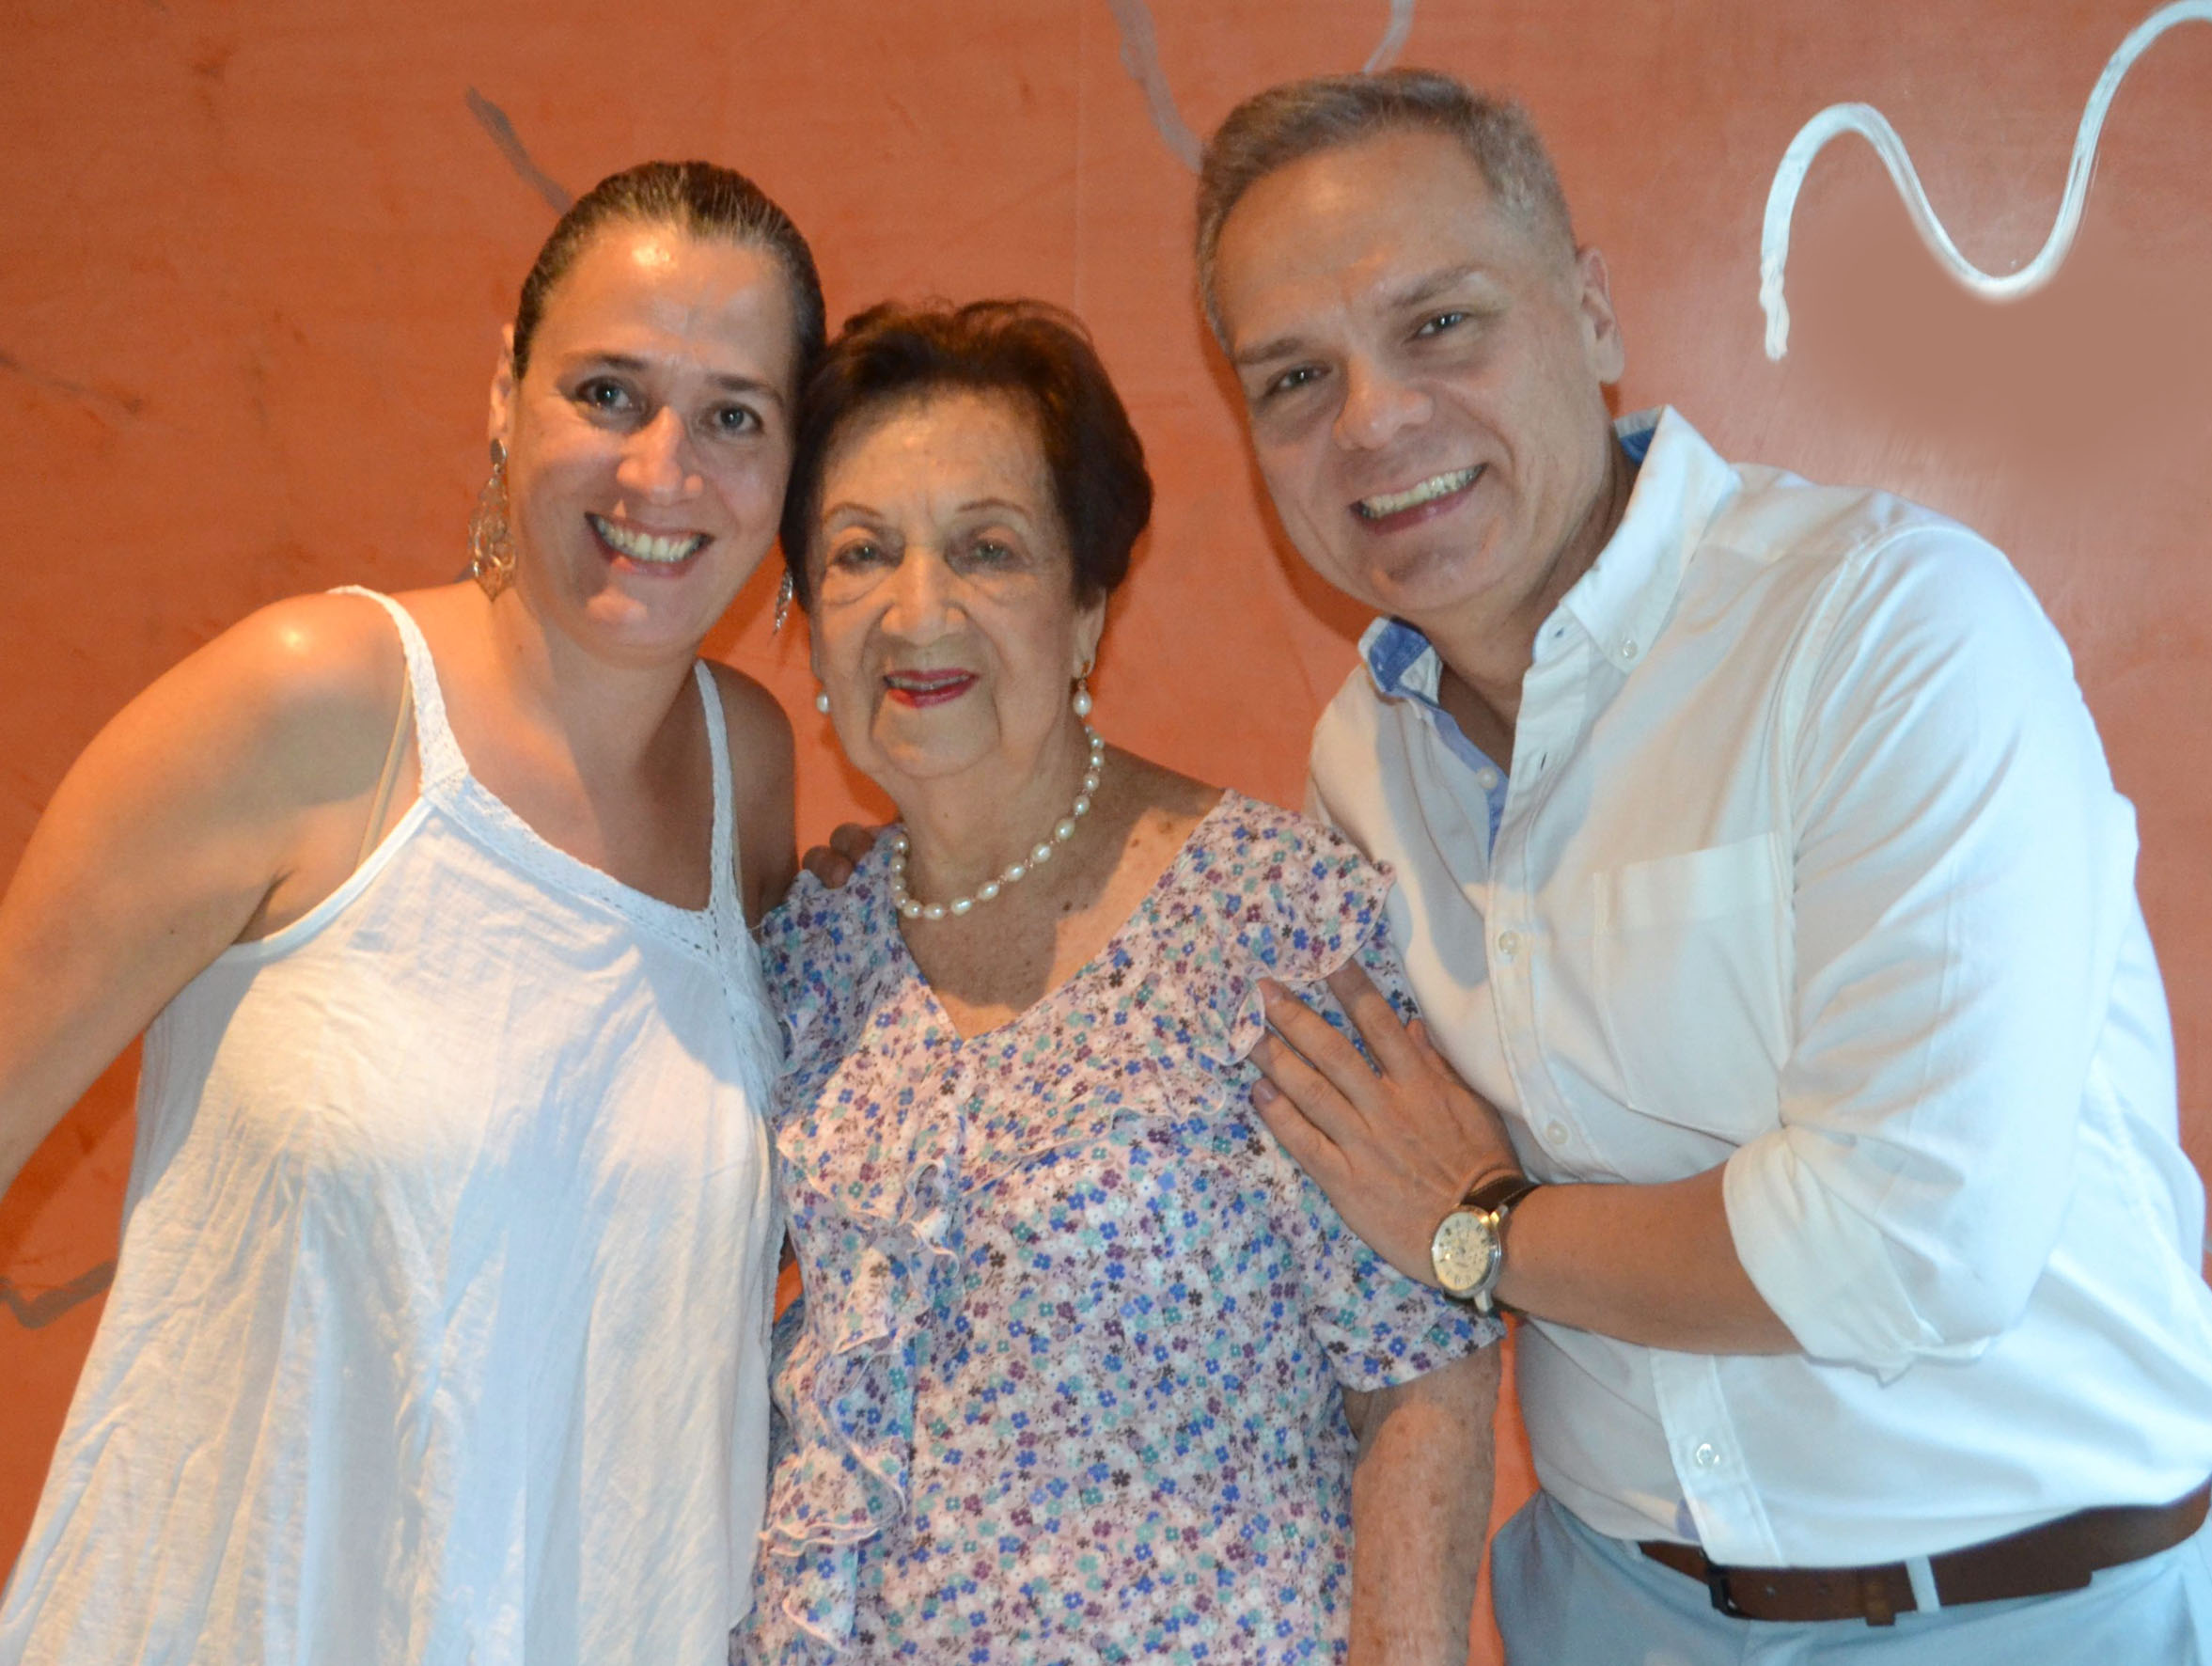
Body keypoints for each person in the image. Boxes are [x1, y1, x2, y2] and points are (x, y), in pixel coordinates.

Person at [1200, 71, 2212, 1662]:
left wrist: (1480, 1226)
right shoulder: (1360, 764)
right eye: (1291, 376)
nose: (1374, 419)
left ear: (1592, 312)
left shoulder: (1886, 628)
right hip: (1600, 1608)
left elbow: (1911, 1242)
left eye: (1440, 324)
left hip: (2025, 1608)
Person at [0, 160, 819, 1665]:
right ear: (504, 397)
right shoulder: (316, 702)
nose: (660, 473)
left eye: (731, 417)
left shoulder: (745, 775)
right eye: (606, 391)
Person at [743, 298, 1498, 1665]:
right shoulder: (806, 956)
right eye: (860, 554)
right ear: (802, 610)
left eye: (988, 548)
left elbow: (1421, 1381)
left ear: (1089, 606)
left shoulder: (1271, 927)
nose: (920, 612)